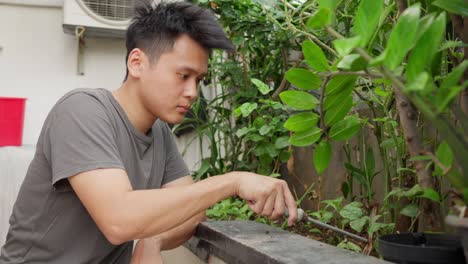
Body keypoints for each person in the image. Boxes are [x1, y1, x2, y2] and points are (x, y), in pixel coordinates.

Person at [0, 1, 298, 263]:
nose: (192, 92)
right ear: (137, 63)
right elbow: (118, 219)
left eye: (199, 79)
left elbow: (192, 212)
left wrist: (152, 239)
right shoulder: (82, 111)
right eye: (183, 76)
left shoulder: (160, 132)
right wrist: (232, 182)